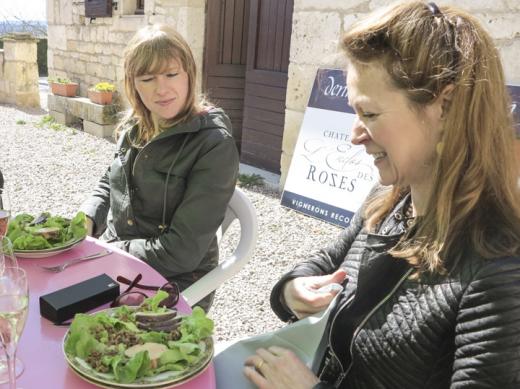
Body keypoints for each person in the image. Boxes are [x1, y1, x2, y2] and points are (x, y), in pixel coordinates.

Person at [244, 1, 520, 388]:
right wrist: (292, 292)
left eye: (370, 115)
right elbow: (323, 262)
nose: (354, 134)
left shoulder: (500, 270)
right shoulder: (388, 200)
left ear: (446, 106)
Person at [80, 24, 239, 311]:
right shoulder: (136, 126)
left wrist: (106, 251)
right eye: (148, 78)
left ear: (189, 73)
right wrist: (87, 218)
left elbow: (182, 252)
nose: (162, 89)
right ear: (133, 83)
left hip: (175, 279)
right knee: (47, 307)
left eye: (171, 74)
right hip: (119, 262)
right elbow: (111, 180)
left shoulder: (213, 144)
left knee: (95, 340)